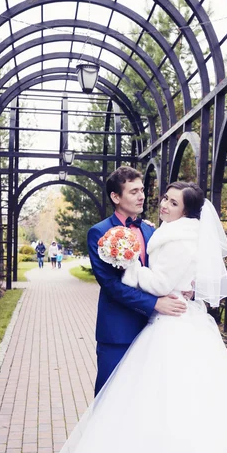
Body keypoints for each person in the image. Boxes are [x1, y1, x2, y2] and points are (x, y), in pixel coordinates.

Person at [49, 181, 227, 453]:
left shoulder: (165, 233)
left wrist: (143, 275)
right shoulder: (104, 232)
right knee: (119, 404)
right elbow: (111, 286)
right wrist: (159, 295)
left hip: (168, 328)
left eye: (169, 200)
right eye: (140, 193)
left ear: (186, 209)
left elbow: (163, 279)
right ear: (116, 197)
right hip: (127, 327)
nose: (152, 200)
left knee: (160, 405)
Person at [87, 166, 187, 396]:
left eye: (142, 190)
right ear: (115, 197)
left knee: (144, 400)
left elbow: (162, 270)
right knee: (108, 397)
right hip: (117, 330)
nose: (141, 196)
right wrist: (154, 303)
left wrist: (183, 287)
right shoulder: (99, 233)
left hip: (154, 331)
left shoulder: (153, 231)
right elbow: (111, 285)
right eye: (133, 192)